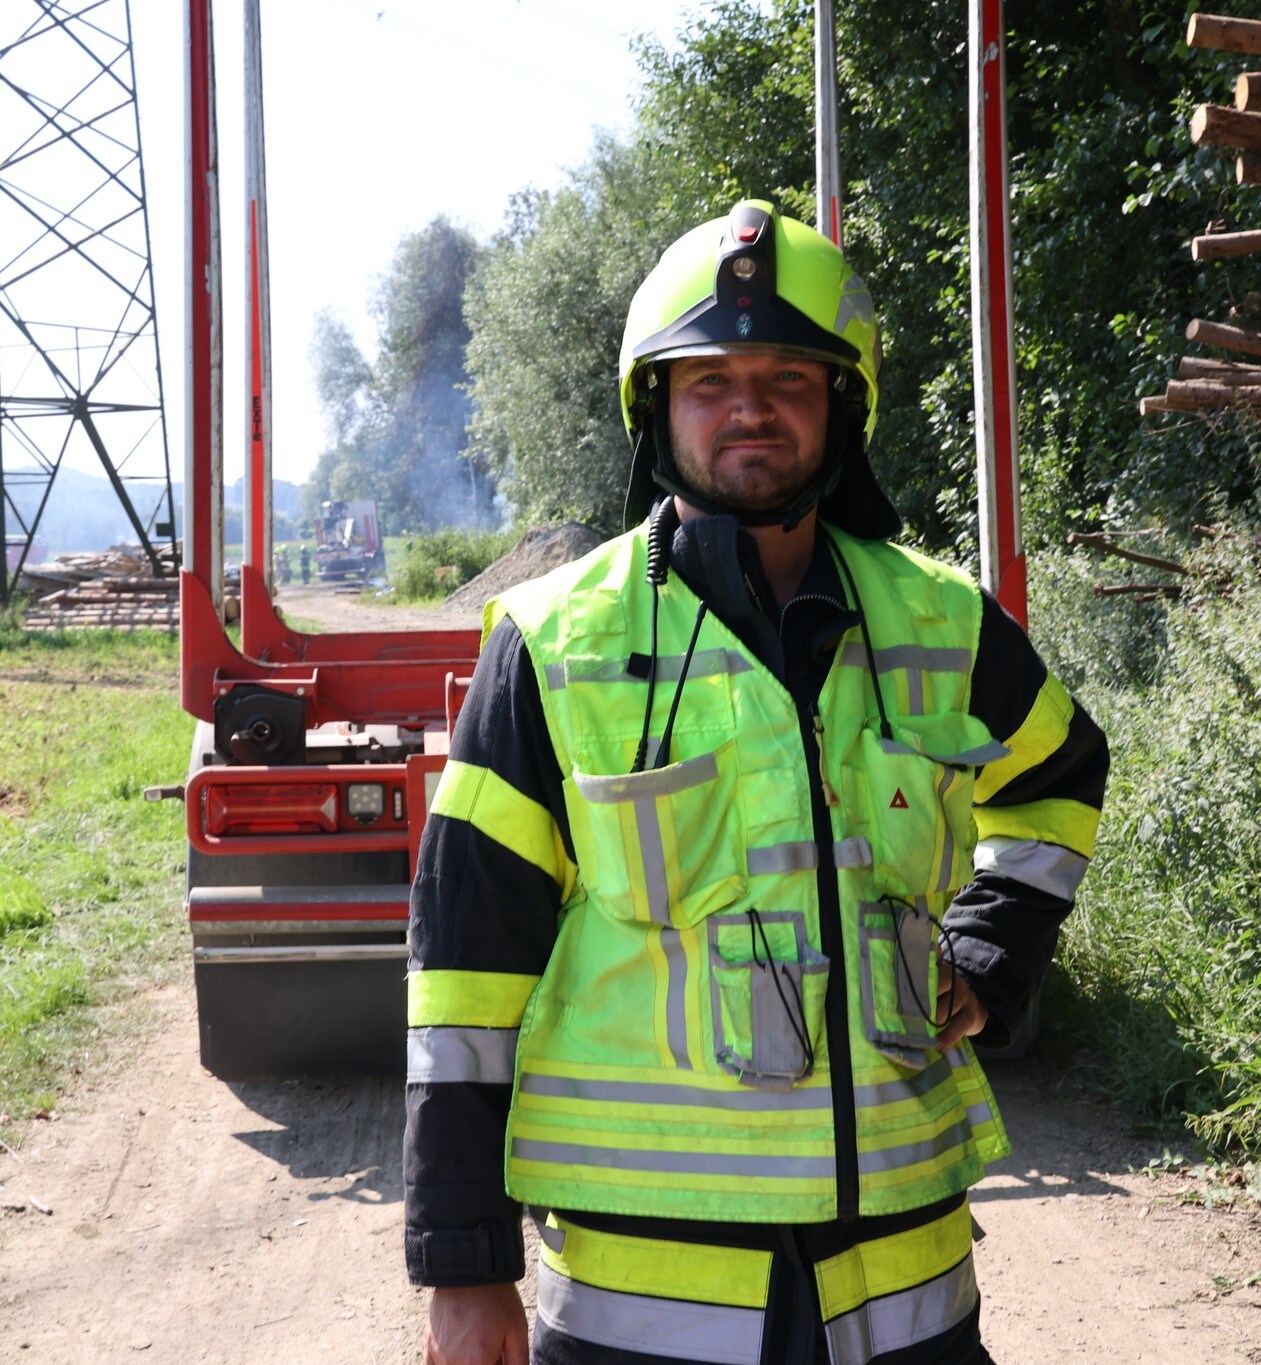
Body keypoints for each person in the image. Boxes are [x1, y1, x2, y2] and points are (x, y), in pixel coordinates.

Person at [404, 201, 1108, 1364]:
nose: (749, 407)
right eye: (707, 380)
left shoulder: (938, 620)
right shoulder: (552, 642)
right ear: (654, 409)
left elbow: (1056, 773)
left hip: (907, 1293)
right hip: (644, 1305)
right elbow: (465, 976)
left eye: (789, 375)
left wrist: (993, 949)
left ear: (843, 404)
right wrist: (464, 1266)